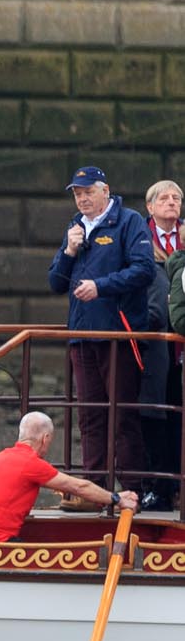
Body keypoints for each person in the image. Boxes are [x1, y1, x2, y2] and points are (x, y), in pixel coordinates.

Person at [48, 165, 156, 501]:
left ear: (105, 191)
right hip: (81, 336)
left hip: (118, 334)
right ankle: (93, 488)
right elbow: (54, 282)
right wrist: (68, 251)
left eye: (87, 192)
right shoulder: (75, 228)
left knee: (122, 413)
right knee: (90, 416)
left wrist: (101, 287)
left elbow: (144, 269)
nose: (82, 199)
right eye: (77, 194)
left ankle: (133, 488)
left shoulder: (129, 222)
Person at [0, 412, 135, 542]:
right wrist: (117, 499)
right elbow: (79, 487)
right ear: (45, 438)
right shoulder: (30, 463)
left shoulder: (2, 456)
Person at [140, 180, 183, 511]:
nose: (172, 203)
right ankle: (157, 485)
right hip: (153, 342)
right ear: (150, 207)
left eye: (177, 198)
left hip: (180, 341)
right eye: (165, 198)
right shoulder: (139, 240)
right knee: (152, 412)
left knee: (178, 413)